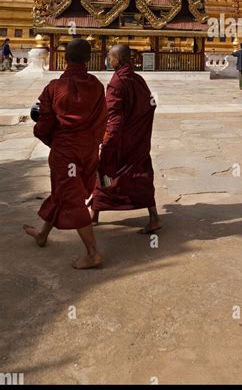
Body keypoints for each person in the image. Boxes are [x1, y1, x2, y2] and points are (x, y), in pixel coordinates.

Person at [23, 39, 107, 269]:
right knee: (65, 191)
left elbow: (44, 124)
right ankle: (42, 233)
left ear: (65, 58)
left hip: (65, 152)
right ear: (89, 59)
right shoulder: (98, 86)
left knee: (71, 197)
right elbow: (103, 120)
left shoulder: (53, 88)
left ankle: (93, 253)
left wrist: (53, 141)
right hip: (88, 150)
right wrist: (93, 142)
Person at [90, 44, 161, 234]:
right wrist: (139, 131)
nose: (107, 60)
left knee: (104, 172)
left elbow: (115, 118)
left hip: (121, 140)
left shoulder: (117, 83)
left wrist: (108, 142)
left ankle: (94, 215)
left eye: (110, 57)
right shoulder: (138, 79)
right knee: (141, 177)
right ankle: (153, 217)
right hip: (137, 141)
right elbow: (150, 105)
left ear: (118, 60)